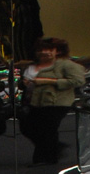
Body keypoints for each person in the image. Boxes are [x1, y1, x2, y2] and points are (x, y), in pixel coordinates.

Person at [19, 37, 85, 165]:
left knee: (48, 128)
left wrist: (49, 82)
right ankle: (54, 149)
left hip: (57, 102)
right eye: (40, 49)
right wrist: (23, 83)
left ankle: (45, 158)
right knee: (27, 127)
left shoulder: (67, 65)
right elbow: (22, 83)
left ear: (57, 51)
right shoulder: (31, 66)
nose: (43, 52)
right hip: (34, 102)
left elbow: (78, 81)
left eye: (48, 49)